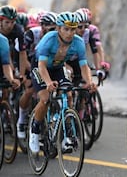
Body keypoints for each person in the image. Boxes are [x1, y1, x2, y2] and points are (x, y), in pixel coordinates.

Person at [28, 11, 97, 153]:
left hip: (58, 68)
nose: (70, 33)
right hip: (40, 66)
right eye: (66, 29)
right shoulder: (49, 39)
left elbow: (84, 66)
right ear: (58, 28)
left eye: (73, 29)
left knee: (69, 95)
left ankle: (66, 134)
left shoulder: (78, 42)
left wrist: (89, 82)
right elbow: (41, 66)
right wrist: (48, 82)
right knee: (46, 98)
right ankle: (34, 130)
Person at [16, 11, 57, 139]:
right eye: (50, 27)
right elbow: (22, 56)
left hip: (43, 63)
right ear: (42, 26)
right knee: (30, 89)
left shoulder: (56, 36)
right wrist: (24, 75)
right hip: (26, 61)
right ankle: (22, 119)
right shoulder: (31, 34)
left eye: (55, 27)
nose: (53, 30)